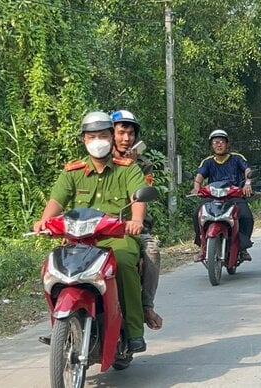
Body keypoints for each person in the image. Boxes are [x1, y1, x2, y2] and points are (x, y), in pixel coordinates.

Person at [33, 111, 150, 353]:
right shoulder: (72, 171)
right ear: (84, 140)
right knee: (53, 270)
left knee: (125, 265)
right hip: (79, 240)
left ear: (111, 138)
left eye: (103, 135)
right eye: (92, 136)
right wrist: (44, 221)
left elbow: (138, 197)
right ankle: (60, 327)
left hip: (117, 237)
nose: (98, 141)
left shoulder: (127, 169)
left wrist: (136, 220)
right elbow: (57, 200)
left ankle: (134, 330)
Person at [110, 109, 163, 331]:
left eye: (131, 133)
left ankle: (146, 305)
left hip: (131, 227)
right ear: (110, 134)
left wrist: (131, 166)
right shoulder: (98, 160)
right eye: (121, 132)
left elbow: (141, 196)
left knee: (151, 250)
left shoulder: (143, 164)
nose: (126, 138)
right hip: (96, 227)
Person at [190, 130, 254, 262]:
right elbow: (199, 177)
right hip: (213, 197)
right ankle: (202, 247)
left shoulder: (237, 158)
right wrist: (196, 188)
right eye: (215, 142)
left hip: (234, 196)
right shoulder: (207, 162)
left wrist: (247, 183)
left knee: (247, 216)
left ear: (227, 144)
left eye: (221, 142)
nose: (219, 145)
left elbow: (247, 170)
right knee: (197, 214)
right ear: (211, 146)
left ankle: (243, 248)